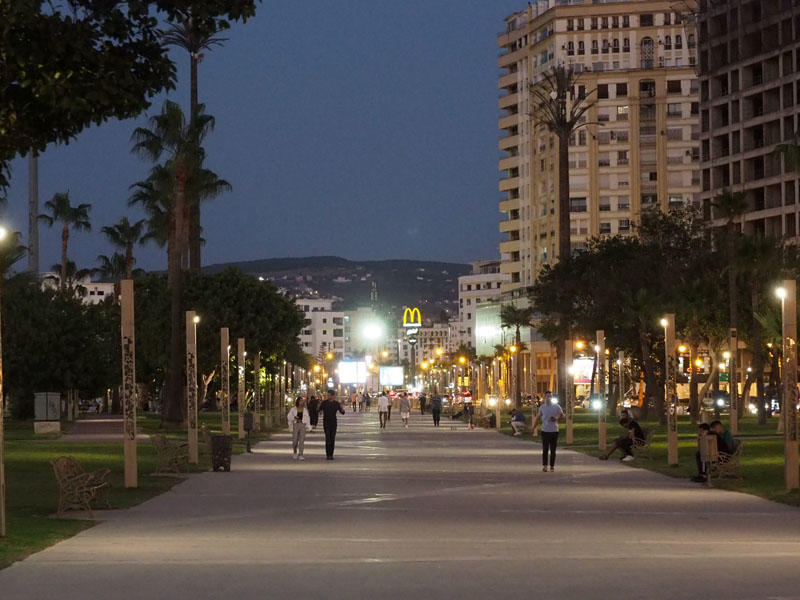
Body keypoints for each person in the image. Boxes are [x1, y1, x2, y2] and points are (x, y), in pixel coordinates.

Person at [531, 391, 564, 472]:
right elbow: (538, 418)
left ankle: (552, 466)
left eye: (550, 396)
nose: (549, 398)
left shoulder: (556, 407)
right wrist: (533, 428)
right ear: (544, 397)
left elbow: (562, 415)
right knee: (545, 449)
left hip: (554, 431)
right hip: (545, 431)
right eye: (547, 396)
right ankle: (545, 465)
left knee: (553, 450)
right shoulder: (542, 407)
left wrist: (556, 418)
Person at [319, 389, 345, 460]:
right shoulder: (324, 403)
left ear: (333, 396)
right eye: (327, 395)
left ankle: (331, 454)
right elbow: (318, 410)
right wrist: (319, 405)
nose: (328, 396)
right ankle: (328, 454)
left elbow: (342, 412)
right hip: (326, 422)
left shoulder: (336, 403)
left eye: (329, 395)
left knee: (332, 438)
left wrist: (342, 408)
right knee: (327, 438)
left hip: (333, 423)